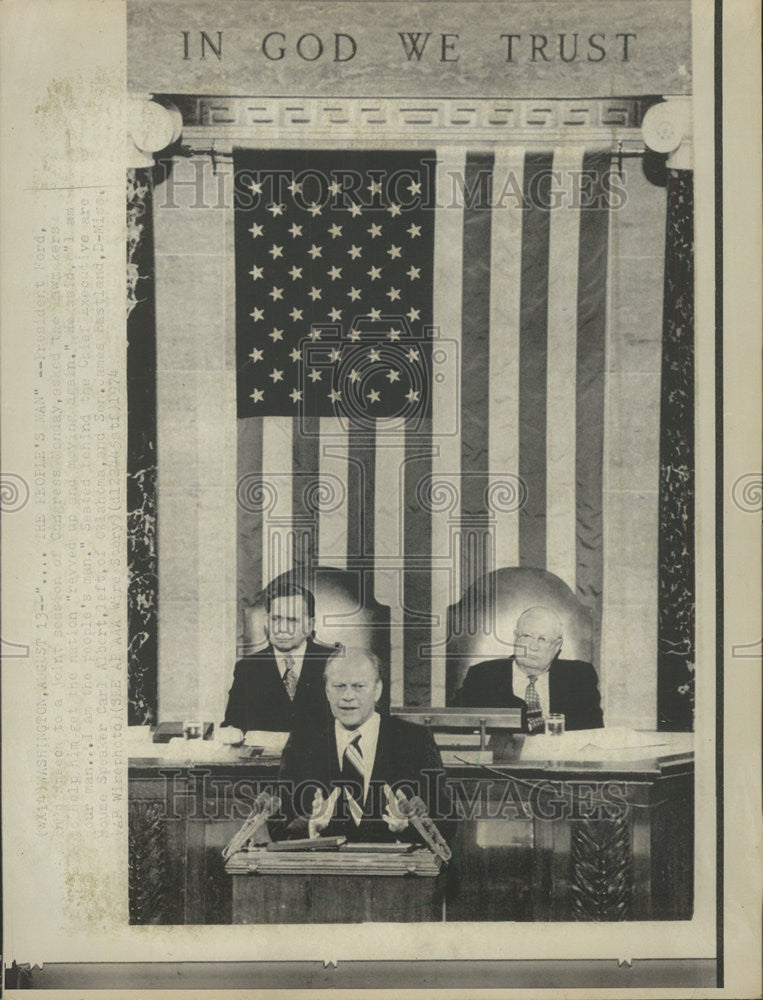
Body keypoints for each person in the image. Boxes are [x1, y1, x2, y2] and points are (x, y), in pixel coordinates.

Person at [271, 647, 451, 844]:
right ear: (327, 691)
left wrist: (409, 827)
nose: (348, 696)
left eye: (358, 686)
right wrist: (310, 826)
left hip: (393, 870)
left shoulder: (415, 740)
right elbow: (279, 827)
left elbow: (446, 823)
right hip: (324, 870)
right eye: (339, 686)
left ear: (377, 690)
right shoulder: (302, 742)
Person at [452, 606, 604, 732]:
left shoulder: (579, 677)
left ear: (557, 646)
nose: (533, 647)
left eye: (542, 639)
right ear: (515, 637)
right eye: (526, 636)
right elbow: (454, 728)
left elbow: (593, 734)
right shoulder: (483, 676)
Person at [221, 581, 335, 735]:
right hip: (264, 759)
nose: (282, 628)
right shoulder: (247, 668)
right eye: (276, 619)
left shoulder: (335, 663)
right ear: (266, 622)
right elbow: (232, 726)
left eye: (292, 620)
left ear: (309, 625)